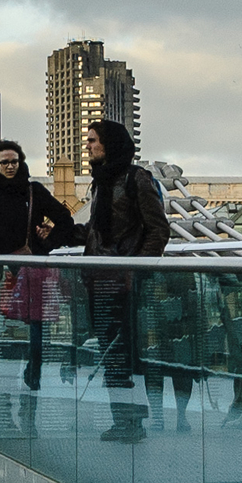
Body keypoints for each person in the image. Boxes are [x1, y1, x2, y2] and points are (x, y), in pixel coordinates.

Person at [70, 121, 170, 442]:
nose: (88, 146)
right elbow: (100, 233)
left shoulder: (135, 179)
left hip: (124, 282)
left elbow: (159, 230)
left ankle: (132, 421)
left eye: (93, 141)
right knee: (110, 354)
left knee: (125, 353)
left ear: (109, 144)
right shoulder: (101, 182)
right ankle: (123, 420)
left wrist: (135, 269)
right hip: (99, 280)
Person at [0, 140, 74, 410]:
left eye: (14, 161)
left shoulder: (34, 191)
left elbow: (65, 219)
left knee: (36, 325)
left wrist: (45, 244)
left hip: (31, 267)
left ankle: (33, 371)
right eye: (5, 162)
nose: (11, 166)